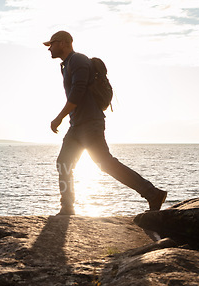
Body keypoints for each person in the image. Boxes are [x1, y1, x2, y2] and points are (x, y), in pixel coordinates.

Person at [43, 31, 167, 215]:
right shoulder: (66, 65)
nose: (49, 49)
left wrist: (58, 117)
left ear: (62, 43)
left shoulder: (77, 60)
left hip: (90, 124)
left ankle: (152, 193)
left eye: (51, 44)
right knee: (64, 162)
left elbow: (76, 93)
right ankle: (67, 207)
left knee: (105, 163)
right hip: (77, 125)